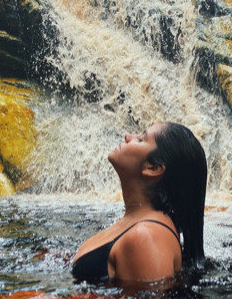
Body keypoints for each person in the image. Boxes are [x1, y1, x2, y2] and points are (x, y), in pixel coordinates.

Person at [72, 122, 207, 285]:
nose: (128, 136)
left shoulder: (146, 236)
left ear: (153, 168)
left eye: (141, 139)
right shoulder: (137, 226)